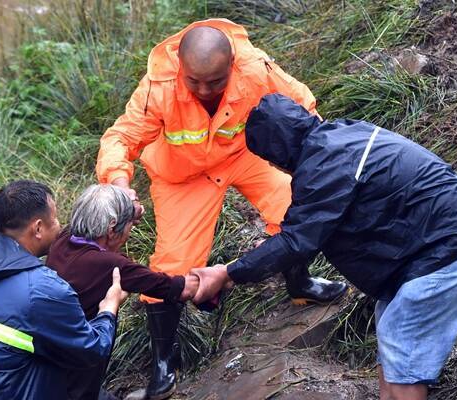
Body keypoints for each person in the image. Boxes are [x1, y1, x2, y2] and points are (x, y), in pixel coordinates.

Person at [191, 94, 457, 400]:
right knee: (391, 328)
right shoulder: (342, 135)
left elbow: (297, 240)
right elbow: (308, 227)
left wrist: (227, 273)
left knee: (401, 337)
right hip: (454, 235)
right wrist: (271, 250)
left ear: (276, 156)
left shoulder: (323, 167)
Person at [96, 19, 347, 398]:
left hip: (242, 155)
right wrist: (119, 185)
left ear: (231, 65)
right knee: (173, 263)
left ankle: (299, 284)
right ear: (181, 67)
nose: (203, 90)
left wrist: (322, 151)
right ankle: (165, 359)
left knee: (293, 209)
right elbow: (121, 136)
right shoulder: (159, 86)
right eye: (193, 81)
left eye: (214, 82)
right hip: (181, 174)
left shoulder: (254, 67)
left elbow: (302, 104)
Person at [0, 180, 128, 400]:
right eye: (55, 219)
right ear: (38, 228)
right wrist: (108, 310)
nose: (59, 225)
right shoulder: (44, 289)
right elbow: (91, 351)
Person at [46, 184, 200, 400]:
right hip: (78, 368)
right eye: (129, 226)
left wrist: (129, 212)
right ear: (111, 229)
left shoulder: (63, 241)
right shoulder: (111, 265)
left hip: (50, 356)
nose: (130, 231)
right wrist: (225, 273)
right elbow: (176, 288)